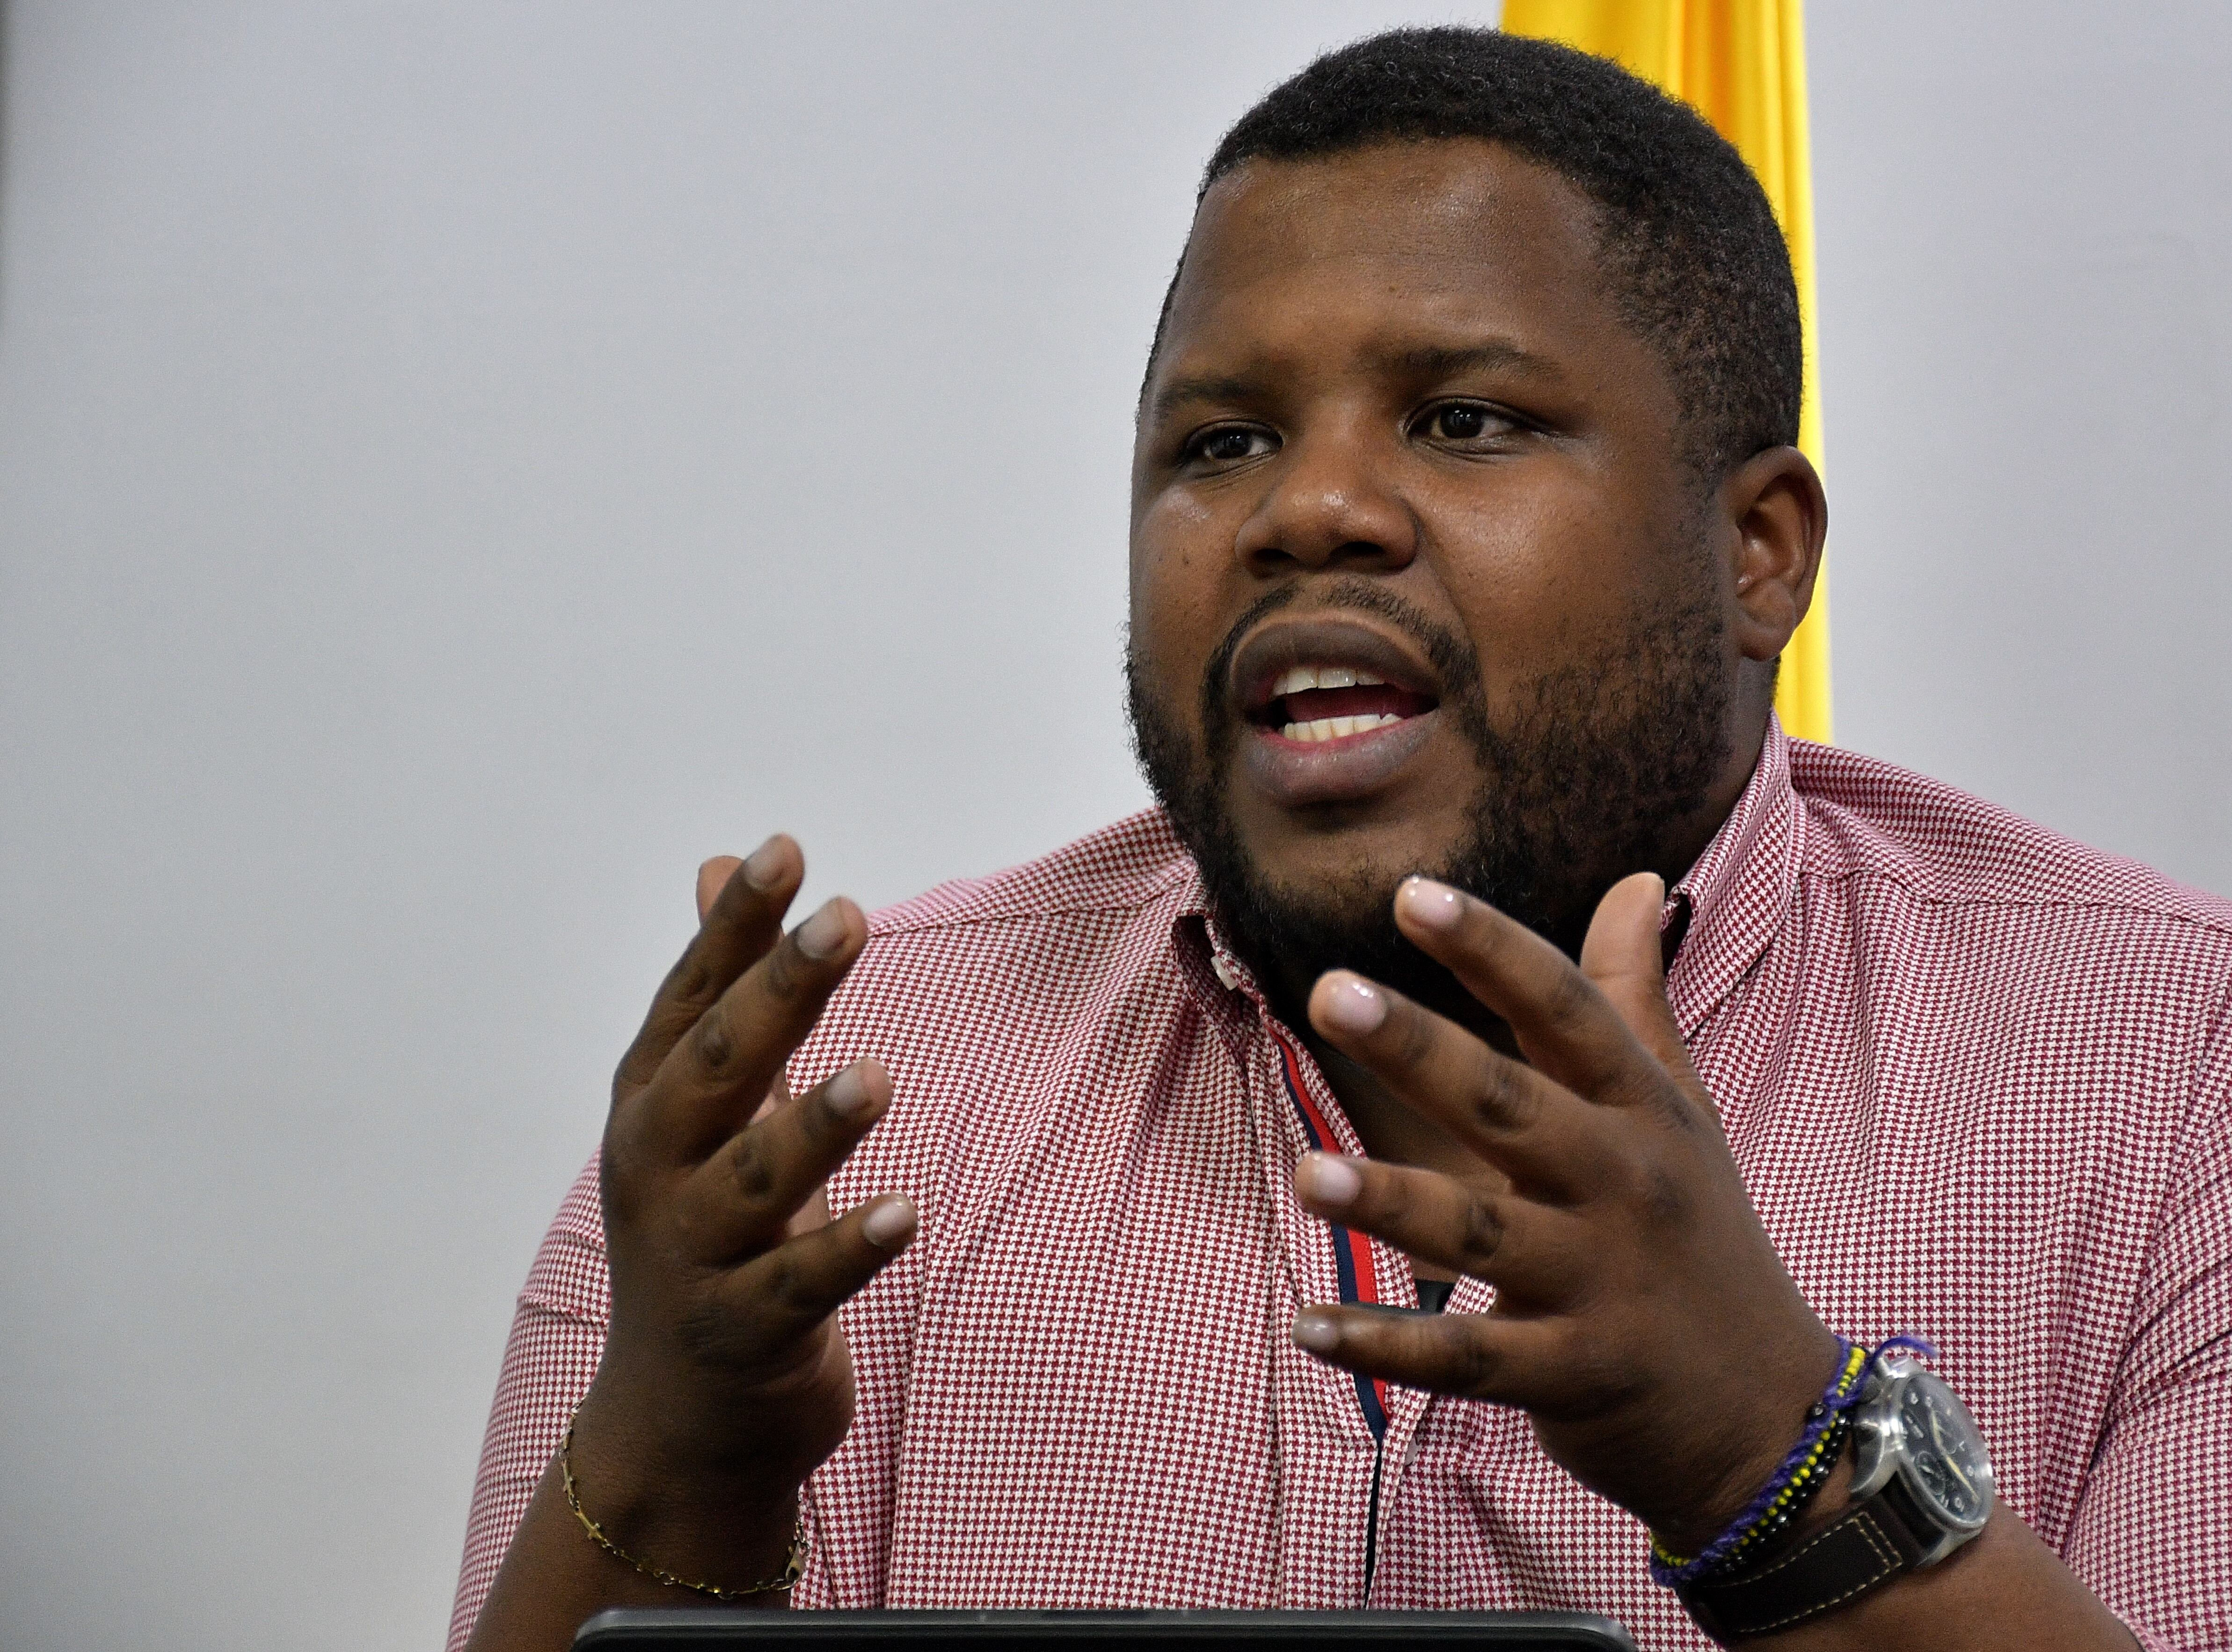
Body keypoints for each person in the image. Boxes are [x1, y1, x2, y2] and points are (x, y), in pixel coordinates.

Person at [450, 27, 2229, 1652]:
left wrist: (1768, 1452)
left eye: (1464, 419)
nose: (1305, 509)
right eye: (1222, 440)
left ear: (1757, 552)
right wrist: (683, 1465)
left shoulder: (2170, 1077)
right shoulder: (826, 1106)